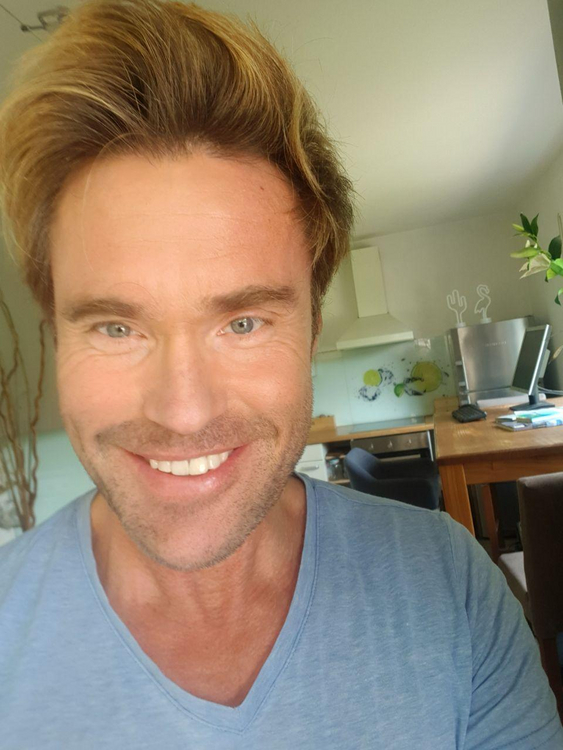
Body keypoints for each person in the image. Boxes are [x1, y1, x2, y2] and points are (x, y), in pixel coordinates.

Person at [0, 1, 561, 747]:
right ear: (56, 336)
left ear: (311, 331)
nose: (184, 412)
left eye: (242, 322)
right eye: (116, 327)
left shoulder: (447, 588)